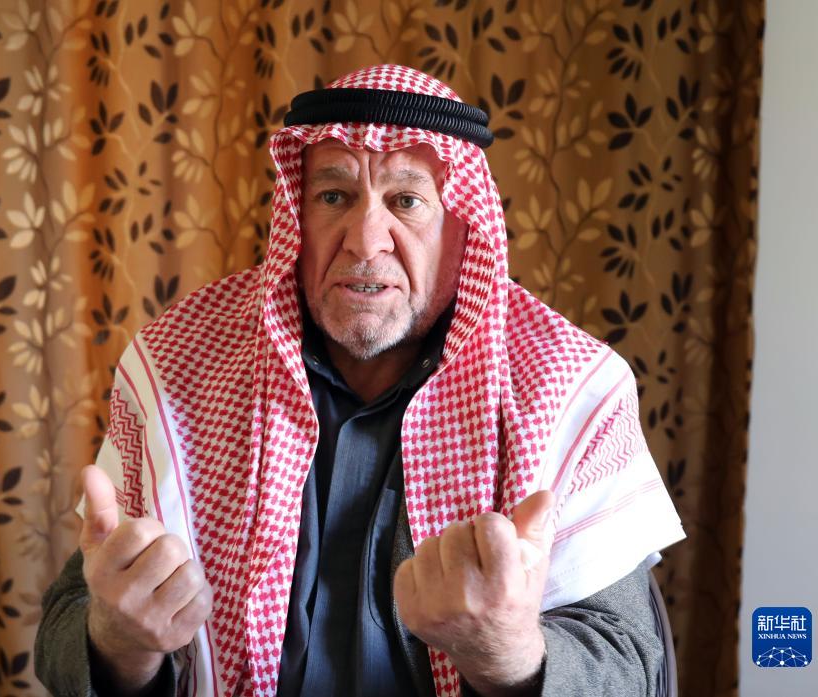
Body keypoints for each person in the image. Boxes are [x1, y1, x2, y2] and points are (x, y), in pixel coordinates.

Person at [34, 64, 685, 697]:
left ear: (463, 227)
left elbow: (630, 663)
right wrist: (118, 641)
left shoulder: (567, 386)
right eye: (334, 197)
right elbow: (69, 623)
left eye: (406, 201)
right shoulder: (181, 359)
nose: (365, 241)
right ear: (298, 215)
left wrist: (508, 654)